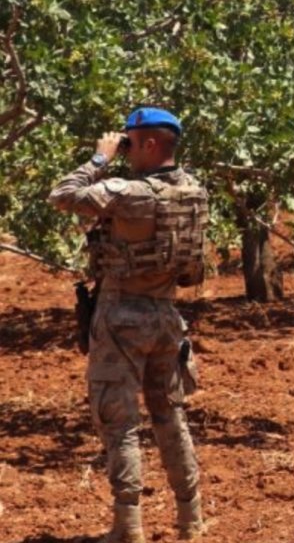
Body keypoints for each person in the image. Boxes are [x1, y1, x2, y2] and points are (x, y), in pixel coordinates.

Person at [49, 107, 209, 542]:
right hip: (166, 317)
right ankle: (190, 520)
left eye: (131, 143)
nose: (126, 150)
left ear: (151, 144)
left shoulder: (131, 193)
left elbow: (62, 195)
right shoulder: (195, 192)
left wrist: (100, 160)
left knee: (118, 423)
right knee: (170, 417)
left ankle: (128, 528)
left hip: (121, 317)